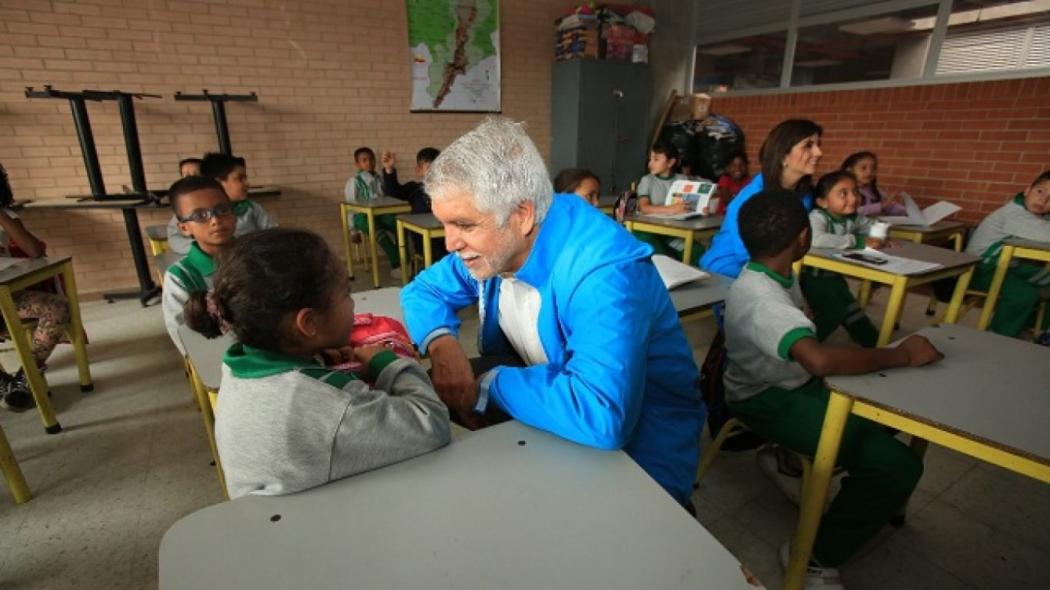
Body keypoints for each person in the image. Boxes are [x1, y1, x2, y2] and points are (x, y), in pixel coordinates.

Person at [400, 118, 705, 509]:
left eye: (463, 225)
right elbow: (422, 291)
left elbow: (600, 414)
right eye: (445, 224)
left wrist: (489, 385)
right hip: (559, 410)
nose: (449, 243)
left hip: (640, 454)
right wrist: (445, 348)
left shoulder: (604, 273)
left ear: (523, 215)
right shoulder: (495, 240)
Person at [726, 189, 939, 590]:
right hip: (767, 400)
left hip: (790, 383)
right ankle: (813, 558)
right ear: (804, 238)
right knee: (899, 466)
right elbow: (819, 361)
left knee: (895, 414)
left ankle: (786, 461)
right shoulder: (762, 297)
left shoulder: (772, 272)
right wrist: (901, 355)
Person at [184, 228, 451, 499]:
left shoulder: (237, 363)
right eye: (346, 293)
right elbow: (432, 424)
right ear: (308, 324)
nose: (352, 303)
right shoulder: (329, 404)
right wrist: (386, 363)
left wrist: (315, 357)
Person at [701, 119, 824, 278]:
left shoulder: (805, 195)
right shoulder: (752, 197)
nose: (819, 152)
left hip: (773, 269)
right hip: (727, 271)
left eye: (818, 145)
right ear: (783, 156)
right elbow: (745, 253)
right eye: (808, 146)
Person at [0, 163, 72, 412]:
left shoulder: (7, 217)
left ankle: (27, 375)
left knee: (57, 307)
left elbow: (35, 251)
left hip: (8, 299)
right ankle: (3, 383)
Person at [802, 171, 890, 348]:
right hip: (811, 278)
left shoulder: (852, 218)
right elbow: (816, 239)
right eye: (843, 193)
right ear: (822, 201)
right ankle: (805, 347)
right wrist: (857, 241)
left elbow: (870, 227)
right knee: (835, 311)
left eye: (855, 192)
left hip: (834, 278)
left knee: (853, 311)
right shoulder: (817, 217)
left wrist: (882, 237)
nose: (853, 198)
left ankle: (874, 345)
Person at [964, 171, 1050, 338]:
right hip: (982, 267)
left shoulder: (1040, 216)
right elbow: (1045, 234)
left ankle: (1027, 326)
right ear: (1027, 190)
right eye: (1040, 191)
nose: (1043, 200)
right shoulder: (1013, 213)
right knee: (1024, 294)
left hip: (1009, 266)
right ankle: (999, 335)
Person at [161, 176, 237, 355]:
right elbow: (186, 340)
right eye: (200, 216)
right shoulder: (180, 276)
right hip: (221, 358)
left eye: (222, 209)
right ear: (184, 228)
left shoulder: (257, 258)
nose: (215, 220)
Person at [166, 153, 275, 255]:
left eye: (224, 211)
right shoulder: (188, 212)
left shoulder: (251, 207)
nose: (215, 220)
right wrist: (204, 249)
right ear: (218, 182)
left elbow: (273, 232)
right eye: (240, 178)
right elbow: (175, 239)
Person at [635, 141, 702, 265]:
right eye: (650, 159)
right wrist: (671, 209)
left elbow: (687, 205)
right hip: (649, 231)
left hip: (672, 232)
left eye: (656, 159)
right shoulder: (647, 181)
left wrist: (700, 208)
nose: (650, 163)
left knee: (697, 252)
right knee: (660, 256)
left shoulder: (682, 180)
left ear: (670, 162)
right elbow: (644, 208)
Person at [381, 148, 446, 263]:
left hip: (445, 236)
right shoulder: (414, 189)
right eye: (429, 169)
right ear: (418, 170)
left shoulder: (448, 191)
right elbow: (393, 191)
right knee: (439, 256)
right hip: (422, 238)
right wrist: (389, 169)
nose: (434, 173)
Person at [346, 146, 400, 278]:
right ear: (357, 164)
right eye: (364, 160)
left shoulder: (380, 178)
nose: (368, 163)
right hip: (363, 217)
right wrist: (353, 230)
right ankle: (397, 265)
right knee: (382, 237)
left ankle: (406, 262)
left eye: (371, 159)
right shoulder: (354, 182)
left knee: (400, 228)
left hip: (382, 214)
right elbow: (351, 206)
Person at [841, 152, 904, 217]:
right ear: (849, 170)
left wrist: (908, 212)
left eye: (873, 168)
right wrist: (880, 206)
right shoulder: (842, 191)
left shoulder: (874, 192)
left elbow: (890, 206)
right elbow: (849, 211)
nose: (869, 172)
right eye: (863, 168)